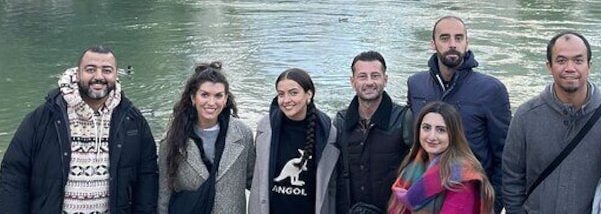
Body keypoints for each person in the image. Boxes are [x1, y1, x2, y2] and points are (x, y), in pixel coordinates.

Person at [0, 45, 158, 213]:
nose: (98, 77)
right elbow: (14, 174)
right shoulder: (44, 118)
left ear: (116, 75)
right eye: (90, 69)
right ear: (77, 74)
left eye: (107, 70)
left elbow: (146, 178)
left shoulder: (133, 121)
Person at [502, 31, 601, 214]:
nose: (570, 68)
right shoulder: (525, 117)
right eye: (561, 61)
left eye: (578, 60)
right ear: (549, 66)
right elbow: (512, 178)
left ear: (589, 66)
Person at [407, 16, 510, 212]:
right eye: (445, 38)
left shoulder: (491, 90)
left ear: (467, 43)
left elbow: (505, 156)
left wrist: (492, 205)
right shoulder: (416, 84)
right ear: (433, 43)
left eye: (458, 38)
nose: (452, 44)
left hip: (471, 197)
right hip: (425, 198)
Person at [158, 61, 255, 213]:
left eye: (218, 96)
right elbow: (164, 193)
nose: (211, 102)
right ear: (193, 97)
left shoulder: (243, 134)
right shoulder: (172, 140)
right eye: (204, 95)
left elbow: (255, 183)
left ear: (225, 99)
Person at [249, 68, 341, 214]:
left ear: (308, 94)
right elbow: (255, 175)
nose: (286, 100)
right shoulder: (265, 128)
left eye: (293, 93)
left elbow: (333, 186)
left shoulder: (328, 132)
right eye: (281, 94)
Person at [334, 51, 413, 213]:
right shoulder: (341, 121)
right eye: (362, 76)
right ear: (352, 81)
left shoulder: (404, 118)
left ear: (385, 79)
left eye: (375, 76)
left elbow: (421, 163)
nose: (369, 82)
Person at [388, 101, 494, 214]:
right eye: (426, 128)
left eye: (441, 130)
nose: (432, 136)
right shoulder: (412, 166)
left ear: (453, 134)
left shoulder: (463, 178)